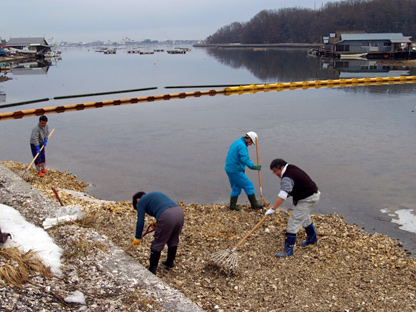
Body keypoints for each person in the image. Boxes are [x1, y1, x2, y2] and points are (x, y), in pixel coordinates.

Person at [266, 158, 320, 258]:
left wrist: (273, 209)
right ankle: (312, 239)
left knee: (293, 222)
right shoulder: (291, 168)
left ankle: (288, 250)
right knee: (304, 217)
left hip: (308, 198)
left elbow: (283, 195)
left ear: (282, 167)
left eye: (276, 171)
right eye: (273, 172)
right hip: (311, 195)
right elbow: (288, 191)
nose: (276, 174)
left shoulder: (287, 177)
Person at [131, 191, 184, 275]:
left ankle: (152, 270)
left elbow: (140, 222)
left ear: (137, 200)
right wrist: (158, 222)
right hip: (179, 213)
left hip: (167, 216)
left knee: (157, 243)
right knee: (173, 238)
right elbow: (162, 206)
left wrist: (137, 237)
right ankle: (170, 263)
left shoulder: (140, 201)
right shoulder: (154, 195)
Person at [224, 131, 262, 211]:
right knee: (249, 185)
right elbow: (244, 159)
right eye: (251, 142)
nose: (251, 144)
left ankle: (233, 206)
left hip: (230, 169)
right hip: (235, 170)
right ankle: (254, 204)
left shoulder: (237, 142)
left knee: (236, 188)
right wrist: (253, 166)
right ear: (249, 139)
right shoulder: (242, 146)